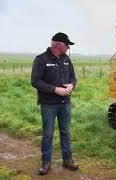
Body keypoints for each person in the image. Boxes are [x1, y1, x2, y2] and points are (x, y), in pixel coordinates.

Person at [31, 32, 78, 175]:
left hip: (65, 103)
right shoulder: (41, 59)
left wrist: (71, 85)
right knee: (48, 134)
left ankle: (68, 160)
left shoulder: (66, 59)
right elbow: (35, 81)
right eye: (67, 46)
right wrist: (55, 89)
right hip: (48, 104)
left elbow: (73, 78)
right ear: (58, 45)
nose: (68, 49)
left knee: (65, 131)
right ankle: (46, 163)